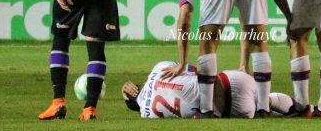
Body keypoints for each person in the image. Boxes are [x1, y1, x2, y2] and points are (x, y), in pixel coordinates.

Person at [160, 0, 272, 118]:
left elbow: (185, 18)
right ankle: (264, 109)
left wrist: (182, 63)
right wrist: (243, 64)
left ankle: (206, 110)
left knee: (208, 41)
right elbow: (244, 21)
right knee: (258, 41)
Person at [122, 61, 298, 118]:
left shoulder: (148, 115)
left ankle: (278, 108)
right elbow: (193, 70)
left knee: (260, 110)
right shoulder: (159, 67)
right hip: (233, 81)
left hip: (226, 109)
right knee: (266, 99)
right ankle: (302, 107)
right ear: (138, 86)